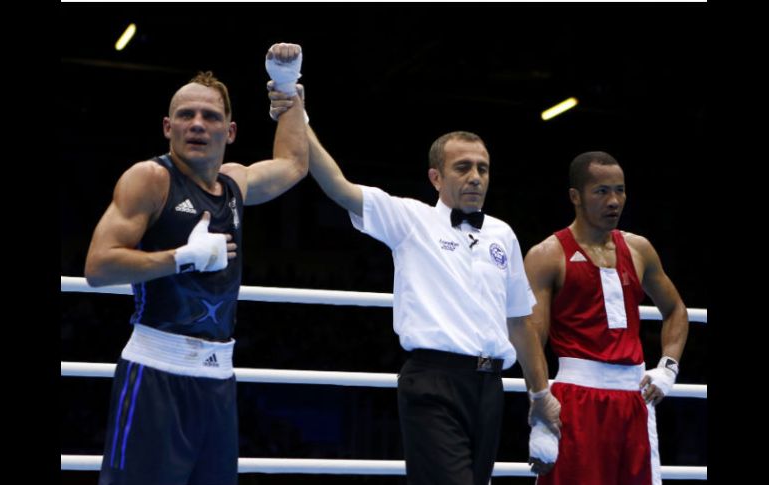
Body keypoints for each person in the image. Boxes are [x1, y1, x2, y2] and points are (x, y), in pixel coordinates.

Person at [268, 87, 561, 485]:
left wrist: (539, 397)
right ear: (435, 177)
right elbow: (339, 185)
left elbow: (519, 324)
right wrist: (299, 118)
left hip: (490, 387)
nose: (475, 177)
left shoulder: (503, 234)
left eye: (483, 168)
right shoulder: (410, 219)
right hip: (433, 383)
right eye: (462, 168)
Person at [84, 43, 307, 485]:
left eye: (210, 117)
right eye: (185, 115)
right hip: (155, 375)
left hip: (217, 377)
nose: (197, 125)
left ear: (231, 131)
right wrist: (180, 260)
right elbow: (98, 267)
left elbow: (294, 164)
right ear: (168, 127)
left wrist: (287, 89)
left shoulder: (236, 184)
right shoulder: (150, 179)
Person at [523, 151, 690, 485]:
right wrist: (540, 405)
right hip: (576, 399)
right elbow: (531, 339)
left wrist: (668, 366)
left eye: (620, 190)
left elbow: (676, 310)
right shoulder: (547, 256)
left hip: (634, 399)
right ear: (576, 197)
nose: (614, 201)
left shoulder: (639, 249)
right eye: (601, 191)